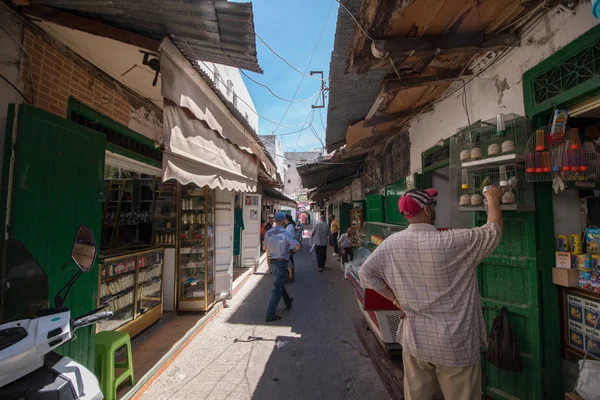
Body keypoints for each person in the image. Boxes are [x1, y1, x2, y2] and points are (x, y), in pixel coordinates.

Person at [359, 187, 504, 400]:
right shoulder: (452, 241)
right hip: (455, 344)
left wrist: (396, 300)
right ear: (427, 209)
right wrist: (492, 199)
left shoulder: (392, 244)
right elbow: (494, 230)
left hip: (415, 340)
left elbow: (365, 274)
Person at [263, 212, 300, 322]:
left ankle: (287, 301)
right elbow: (297, 245)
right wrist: (292, 250)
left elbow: (264, 248)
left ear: (274, 220)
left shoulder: (268, 233)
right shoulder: (285, 232)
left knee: (278, 283)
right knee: (276, 289)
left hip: (272, 263)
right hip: (281, 262)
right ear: (284, 220)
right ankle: (270, 314)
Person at [284, 214, 297, 282]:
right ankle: (291, 275)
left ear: (286, 219)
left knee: (289, 262)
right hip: (291, 246)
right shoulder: (290, 226)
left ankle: (290, 277)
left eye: (284, 219)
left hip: (289, 247)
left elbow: (288, 238)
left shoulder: (289, 227)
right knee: (290, 261)